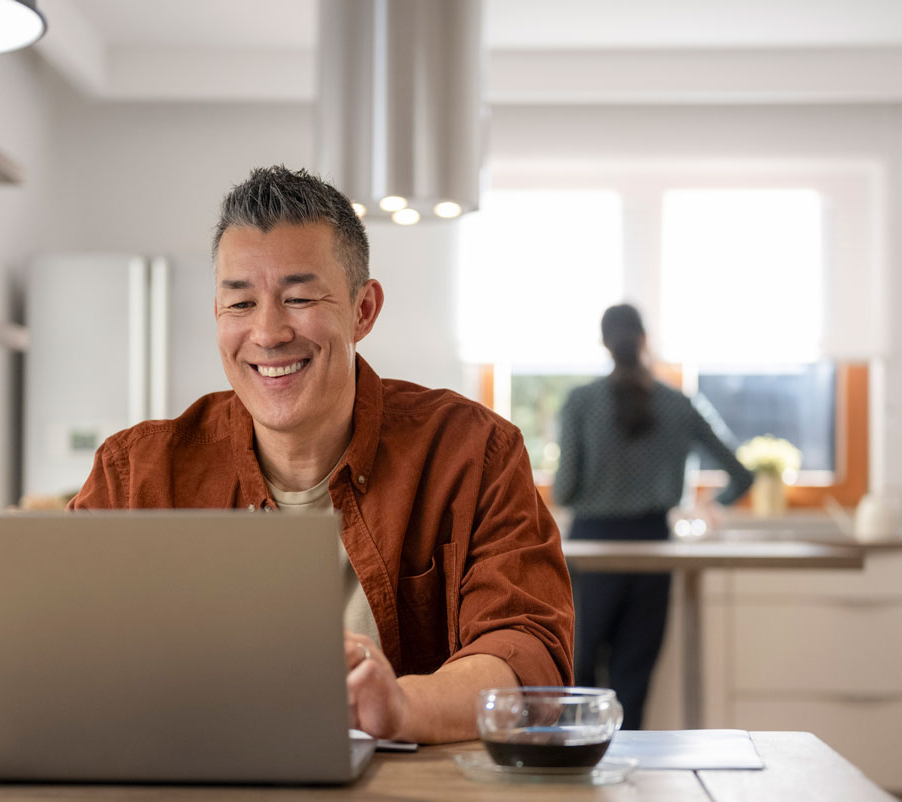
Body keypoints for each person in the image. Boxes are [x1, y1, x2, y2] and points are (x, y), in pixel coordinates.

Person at [68, 165, 573, 744]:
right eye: (240, 303)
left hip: (414, 795)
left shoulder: (473, 452)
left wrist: (400, 707)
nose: (268, 332)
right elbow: (59, 648)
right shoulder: (136, 474)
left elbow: (528, 656)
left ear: (363, 310)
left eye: (299, 298)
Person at [553, 303, 752, 729]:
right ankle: (627, 765)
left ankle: (578, 759)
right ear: (644, 339)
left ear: (604, 342)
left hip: (591, 548)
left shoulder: (581, 402)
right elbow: (741, 474)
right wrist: (710, 506)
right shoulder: (679, 404)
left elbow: (564, 490)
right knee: (634, 677)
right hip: (654, 548)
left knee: (578, 671)